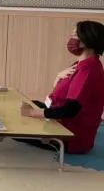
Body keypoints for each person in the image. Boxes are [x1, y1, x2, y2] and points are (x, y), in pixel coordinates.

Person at [20, 20, 104, 154]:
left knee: (16, 128)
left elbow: (69, 110)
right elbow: (62, 92)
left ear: (86, 41)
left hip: (70, 136)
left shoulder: (87, 70)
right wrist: (57, 77)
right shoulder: (84, 63)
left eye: (75, 35)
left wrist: (32, 113)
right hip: (59, 118)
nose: (71, 39)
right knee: (27, 105)